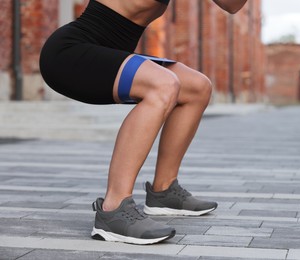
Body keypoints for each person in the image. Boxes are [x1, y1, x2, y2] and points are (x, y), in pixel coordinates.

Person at [40, 0, 247, 245]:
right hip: (70, 53)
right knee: (163, 84)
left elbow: (232, 5)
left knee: (197, 87)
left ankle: (164, 191)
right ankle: (113, 209)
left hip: (111, 54)